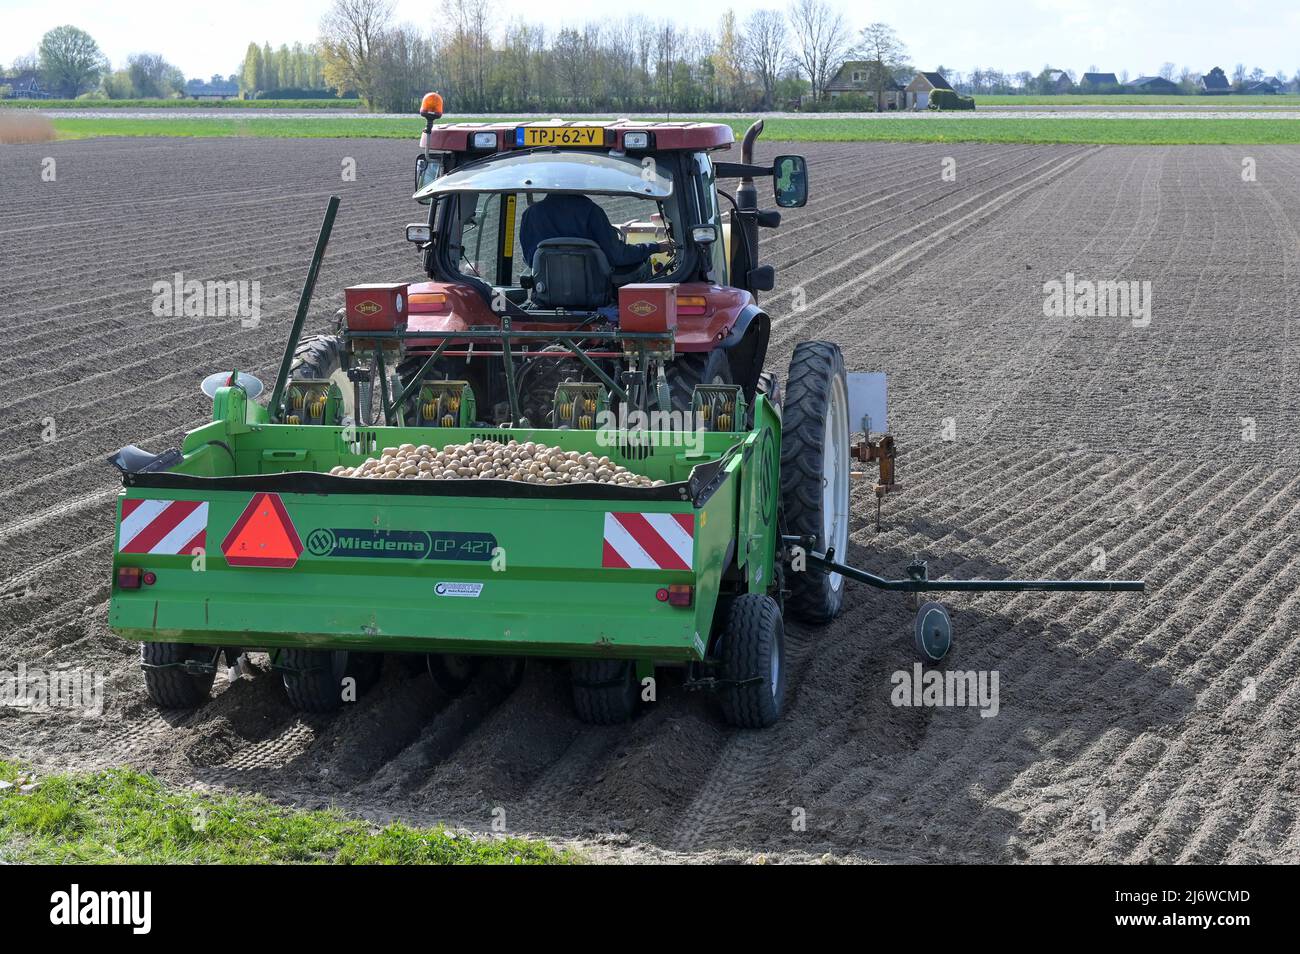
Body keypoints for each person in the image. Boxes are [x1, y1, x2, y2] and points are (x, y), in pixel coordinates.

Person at [520, 193, 671, 273]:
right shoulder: (591, 212)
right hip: (596, 299)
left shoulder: (530, 215)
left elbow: (530, 260)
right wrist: (654, 248)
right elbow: (617, 256)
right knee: (642, 267)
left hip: (544, 297)